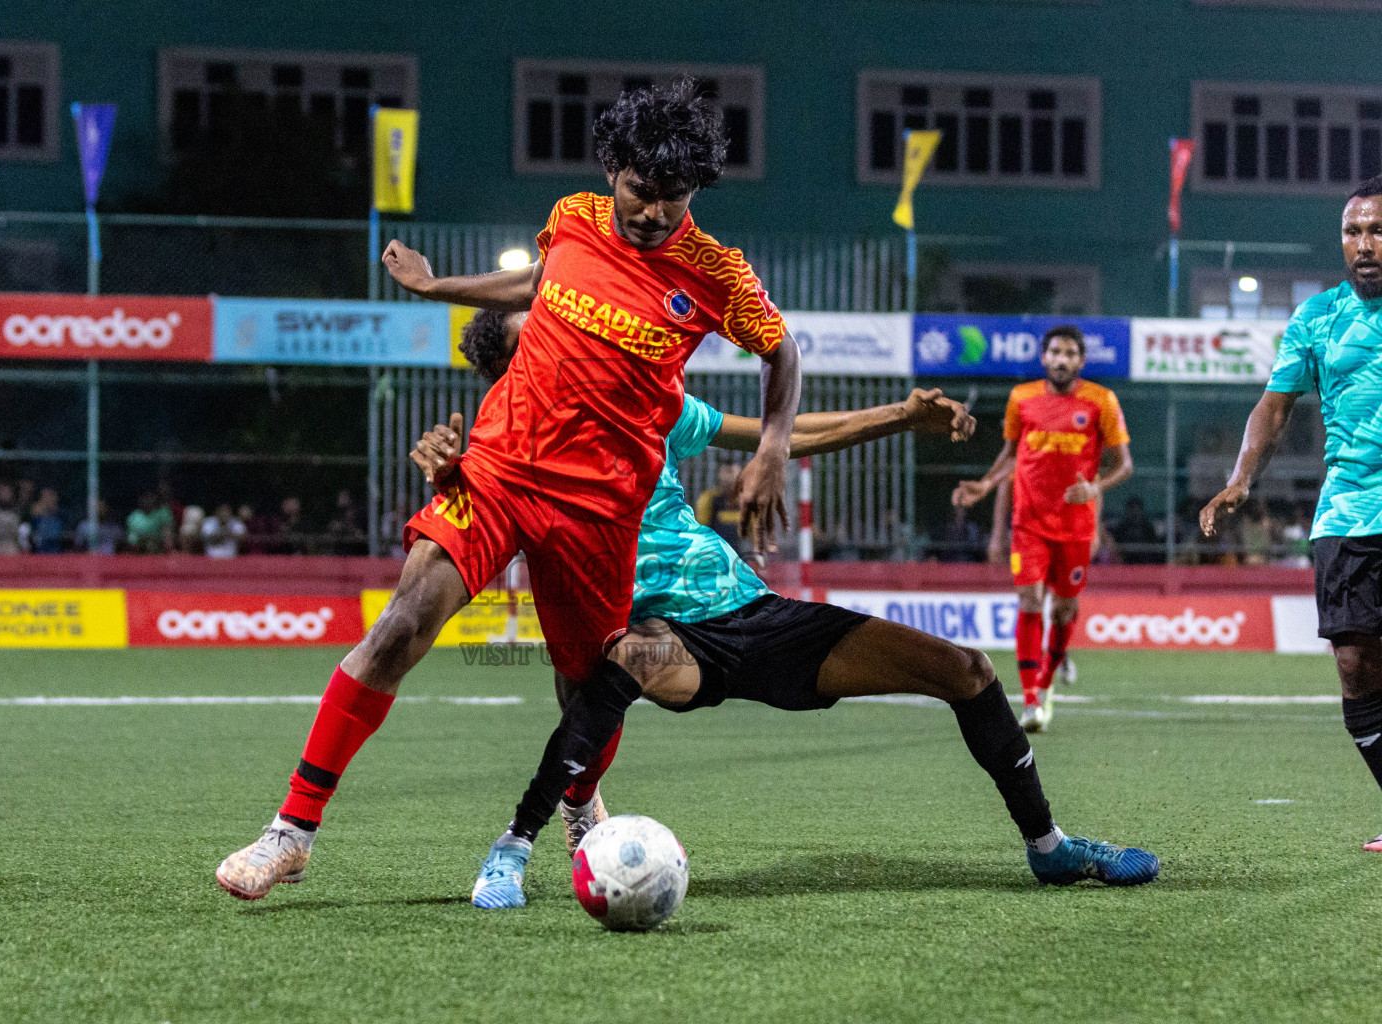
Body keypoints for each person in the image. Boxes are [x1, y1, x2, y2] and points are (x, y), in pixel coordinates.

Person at [214, 79, 801, 900]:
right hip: (499, 468)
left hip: (600, 506)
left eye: (673, 198)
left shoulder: (716, 273)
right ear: (611, 170)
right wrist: (435, 289)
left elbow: (783, 352)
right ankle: (292, 831)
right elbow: (538, 286)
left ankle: (580, 803)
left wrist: (773, 445)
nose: (653, 214)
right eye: (639, 192)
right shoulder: (572, 219)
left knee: (586, 687)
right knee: (401, 625)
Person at [414, 310, 1158, 907]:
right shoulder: (509, 449)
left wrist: (901, 414)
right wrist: (453, 481)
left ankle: (1050, 849)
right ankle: (515, 844)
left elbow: (785, 434)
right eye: (535, 336)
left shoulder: (648, 406)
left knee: (964, 669)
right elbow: (470, 527)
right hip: (669, 637)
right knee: (625, 663)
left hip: (757, 613)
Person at [1201, 175, 1382, 854]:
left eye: (1376, 230)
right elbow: (1274, 408)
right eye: (1352, 231)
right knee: (1355, 662)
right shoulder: (1317, 318)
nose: (1363, 244)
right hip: (1348, 515)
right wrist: (1240, 480)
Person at [952, 326, 1133, 732]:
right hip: (1029, 523)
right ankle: (1032, 698)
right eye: (1055, 351)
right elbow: (1011, 455)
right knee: (1031, 602)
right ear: (1044, 357)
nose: (1061, 359)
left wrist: (1095, 487)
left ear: (1081, 361)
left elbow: (1125, 465)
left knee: (1065, 609)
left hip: (1076, 527)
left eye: (1070, 353)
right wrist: (984, 485)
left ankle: (1049, 683)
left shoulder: (1102, 400)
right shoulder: (1022, 398)